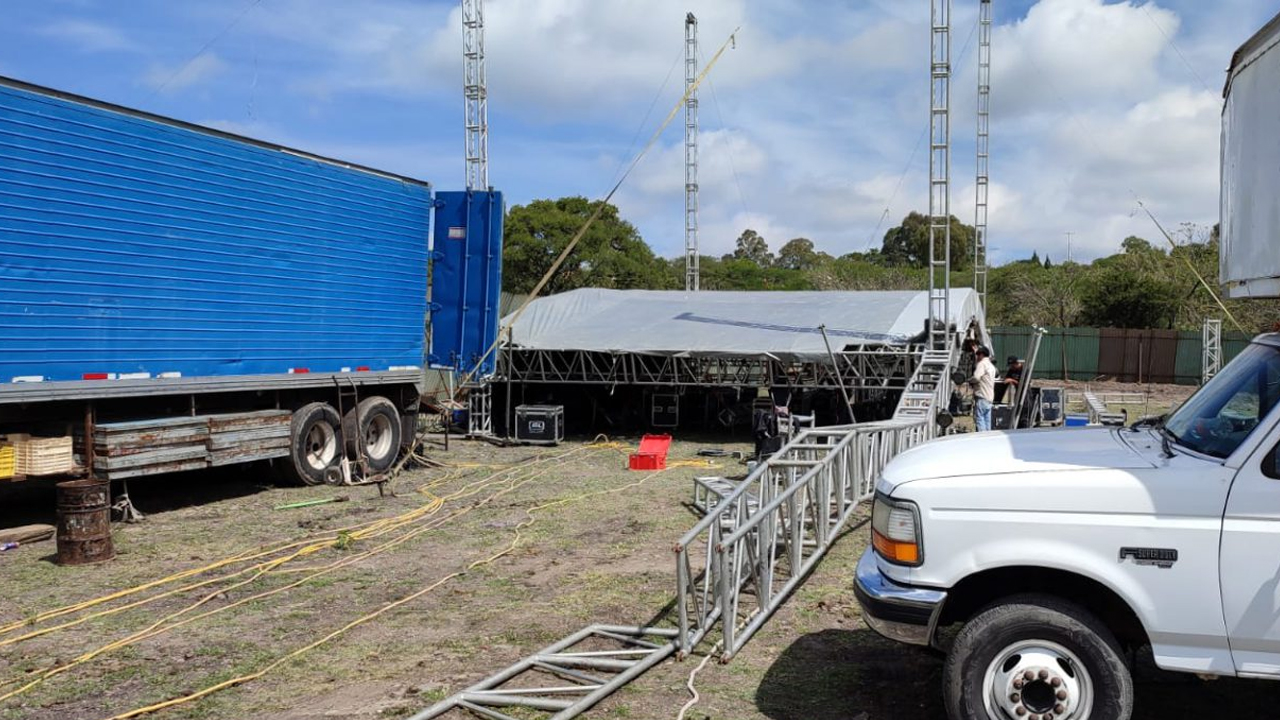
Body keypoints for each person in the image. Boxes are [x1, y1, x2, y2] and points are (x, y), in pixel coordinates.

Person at [969, 345, 997, 432]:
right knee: (987, 420)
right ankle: (987, 438)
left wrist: (970, 380)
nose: (977, 357)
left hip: (982, 395)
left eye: (978, 355)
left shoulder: (982, 364)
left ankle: (981, 438)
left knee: (980, 419)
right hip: (989, 396)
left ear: (981, 355)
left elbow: (976, 377)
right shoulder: (992, 366)